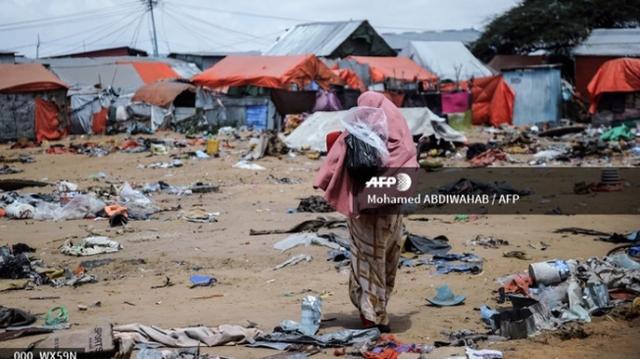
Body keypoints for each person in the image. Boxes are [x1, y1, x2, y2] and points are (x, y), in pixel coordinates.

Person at [314, 91, 418, 332]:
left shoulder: (364, 127)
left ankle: (373, 316)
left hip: (367, 206)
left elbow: (338, 158)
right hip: (392, 205)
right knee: (385, 257)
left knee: (368, 257)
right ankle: (376, 309)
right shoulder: (400, 131)